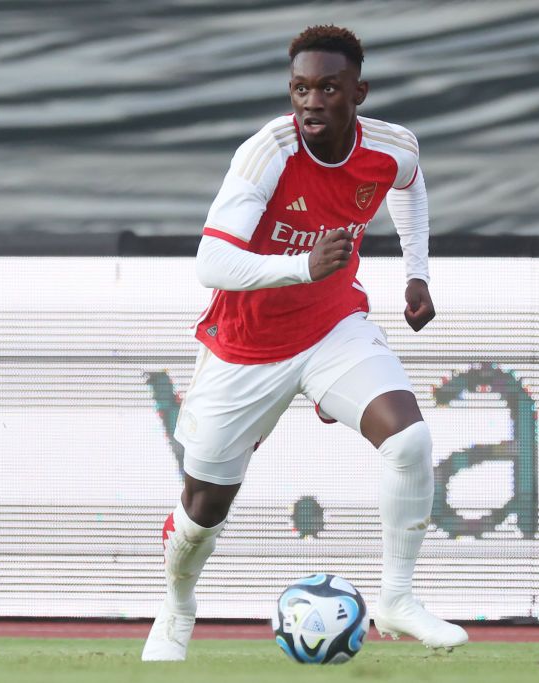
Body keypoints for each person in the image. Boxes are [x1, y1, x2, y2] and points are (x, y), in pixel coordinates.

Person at [142, 24, 468, 661]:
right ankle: (178, 605)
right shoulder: (266, 152)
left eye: (327, 88)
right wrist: (301, 267)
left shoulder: (390, 147)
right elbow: (210, 263)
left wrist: (417, 273)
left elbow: (411, 186)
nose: (311, 102)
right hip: (245, 345)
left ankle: (396, 600)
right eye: (299, 89)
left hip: (331, 328)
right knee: (202, 510)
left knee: (409, 438)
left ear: (358, 93)